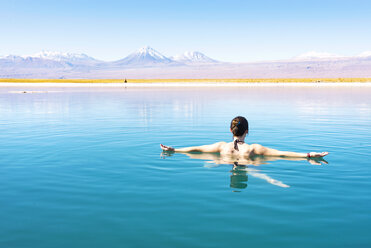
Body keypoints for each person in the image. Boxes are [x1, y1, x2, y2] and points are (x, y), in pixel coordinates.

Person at [160, 116, 329, 158]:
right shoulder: (253, 149)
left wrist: (174, 149)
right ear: (247, 131)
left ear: (230, 130)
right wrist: (308, 155)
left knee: (210, 162)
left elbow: (196, 149)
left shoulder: (221, 147)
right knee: (259, 172)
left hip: (224, 160)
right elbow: (282, 154)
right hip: (248, 162)